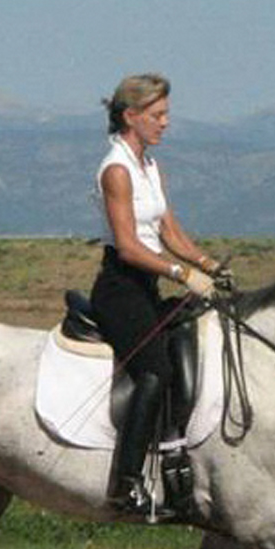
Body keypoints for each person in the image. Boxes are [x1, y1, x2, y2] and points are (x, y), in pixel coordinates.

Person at [90, 73, 221, 517]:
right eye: (157, 115)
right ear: (131, 116)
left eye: (166, 114)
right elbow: (129, 246)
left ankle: (175, 463)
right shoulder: (117, 170)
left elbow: (169, 230)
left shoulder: (149, 167)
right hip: (120, 287)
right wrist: (183, 273)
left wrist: (210, 266)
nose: (166, 123)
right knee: (154, 371)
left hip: (148, 284)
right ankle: (124, 484)